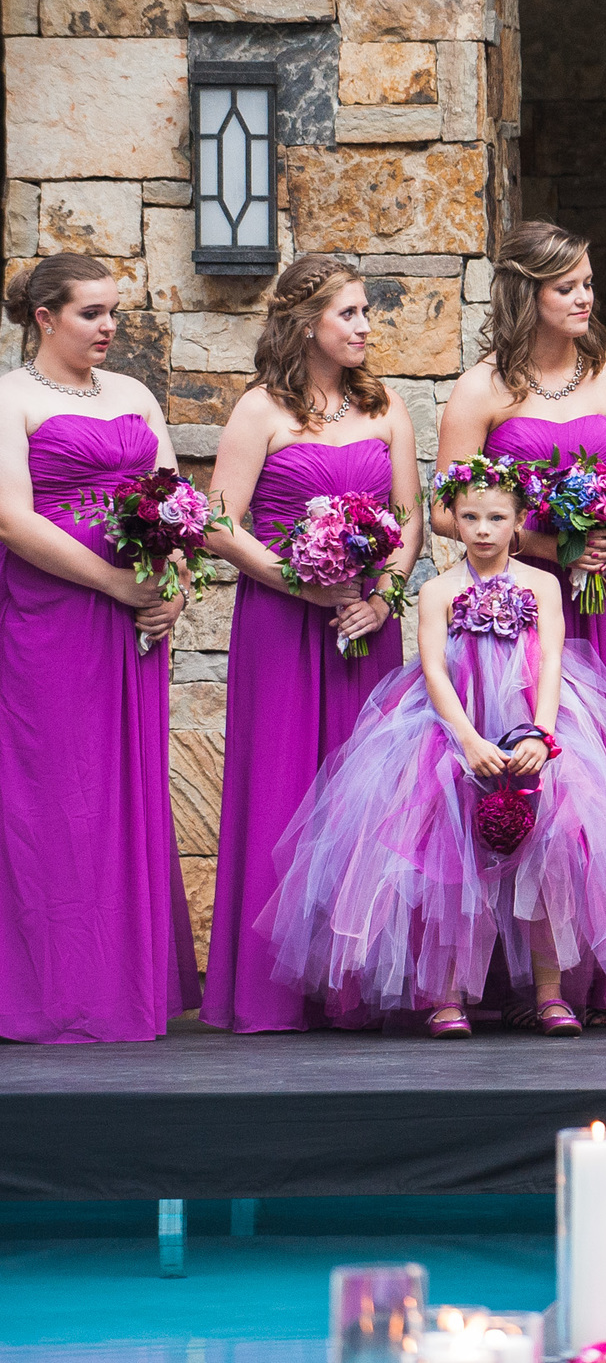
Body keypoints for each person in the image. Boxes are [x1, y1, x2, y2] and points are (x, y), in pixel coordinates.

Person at [259, 457, 606, 1037]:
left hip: (530, 726)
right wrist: (466, 741)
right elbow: (435, 670)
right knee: (447, 856)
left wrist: (543, 733)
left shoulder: (542, 584)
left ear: (519, 522)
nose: (484, 529)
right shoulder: (438, 589)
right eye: (470, 517)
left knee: (548, 854)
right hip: (452, 730)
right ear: (454, 521)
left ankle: (549, 992)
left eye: (497, 517)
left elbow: (553, 663)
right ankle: (445, 995)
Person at [202, 257, 422, 1033]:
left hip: (367, 625)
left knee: (369, 795)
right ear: (307, 325)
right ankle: (275, 993)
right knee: (284, 783)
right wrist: (301, 582)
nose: (365, 327)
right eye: (351, 314)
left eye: (366, 314)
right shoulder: (260, 410)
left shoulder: (387, 406)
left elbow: (410, 517)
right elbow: (218, 522)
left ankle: (354, 986)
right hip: (282, 624)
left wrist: (383, 597)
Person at [0, 254, 198, 1043]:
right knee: (54, 798)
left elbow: (177, 503)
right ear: (44, 318)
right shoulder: (11, 397)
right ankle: (49, 995)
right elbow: (13, 520)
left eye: (114, 311)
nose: (110, 326)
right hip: (49, 620)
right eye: (91, 312)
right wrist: (115, 585)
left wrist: (173, 586)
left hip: (135, 630)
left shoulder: (135, 395)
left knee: (125, 796)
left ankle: (123, 988)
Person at [437, 221, 606, 749]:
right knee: (520, 746)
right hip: (513, 593)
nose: (585, 298)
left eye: (588, 283)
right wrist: (546, 545)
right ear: (526, 297)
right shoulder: (480, 390)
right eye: (566, 288)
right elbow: (445, 512)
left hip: (602, 594)